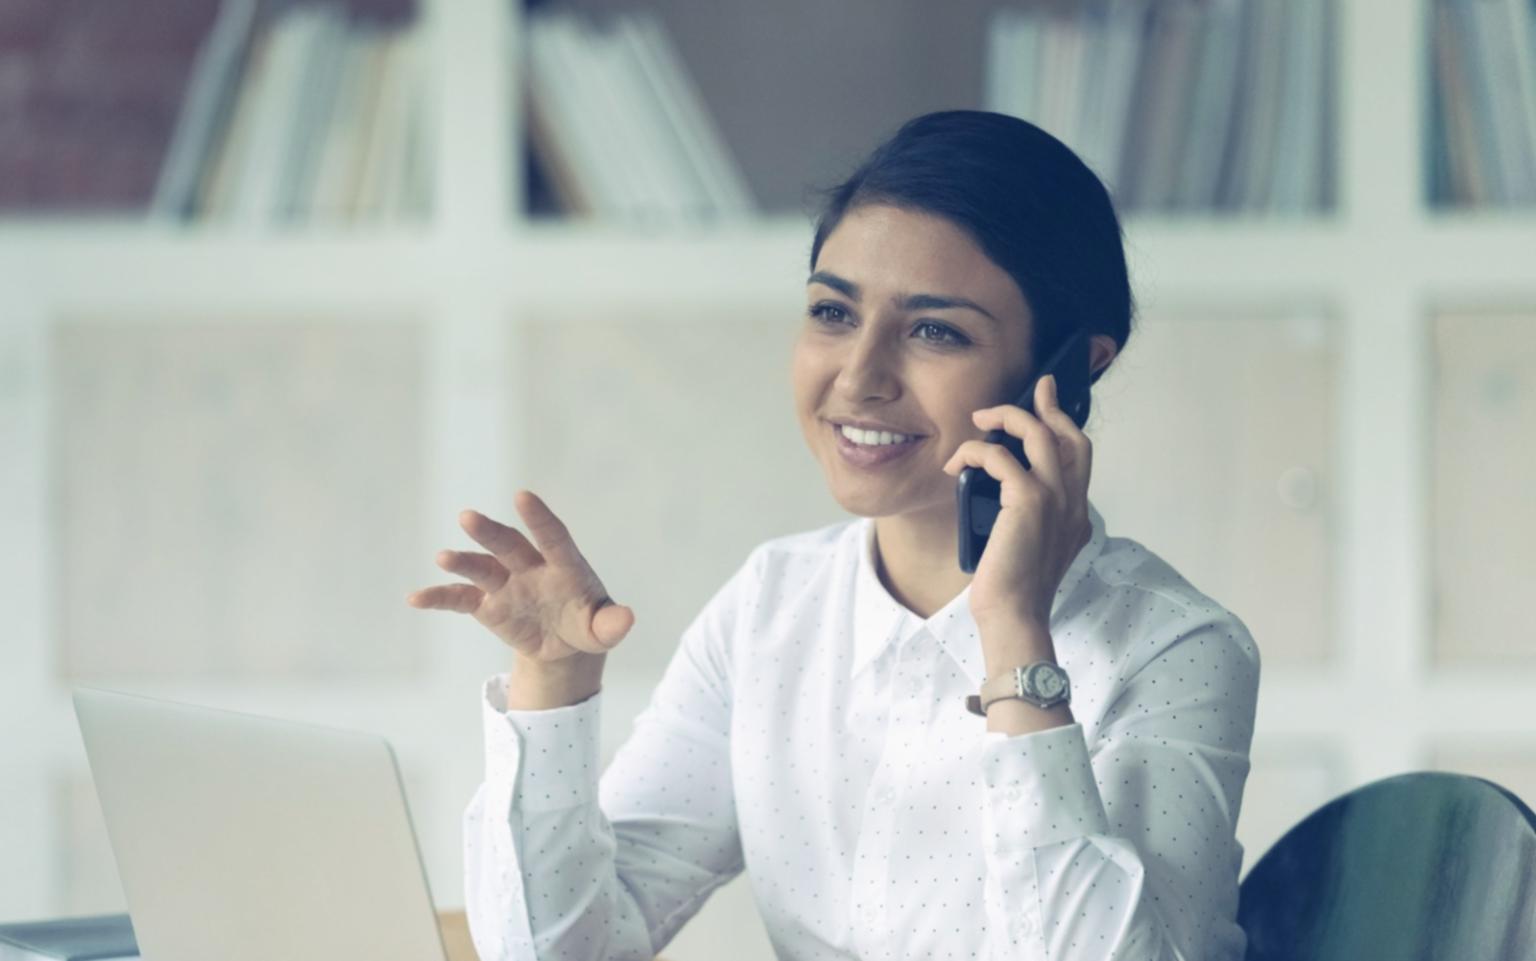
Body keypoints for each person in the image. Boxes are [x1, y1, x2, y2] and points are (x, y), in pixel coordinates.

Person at [406, 110, 1261, 961]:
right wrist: (554, 684)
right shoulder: (773, 605)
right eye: (832, 312)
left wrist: (1013, 638)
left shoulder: (1173, 647)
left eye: (935, 330)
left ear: (1069, 371)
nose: (859, 376)